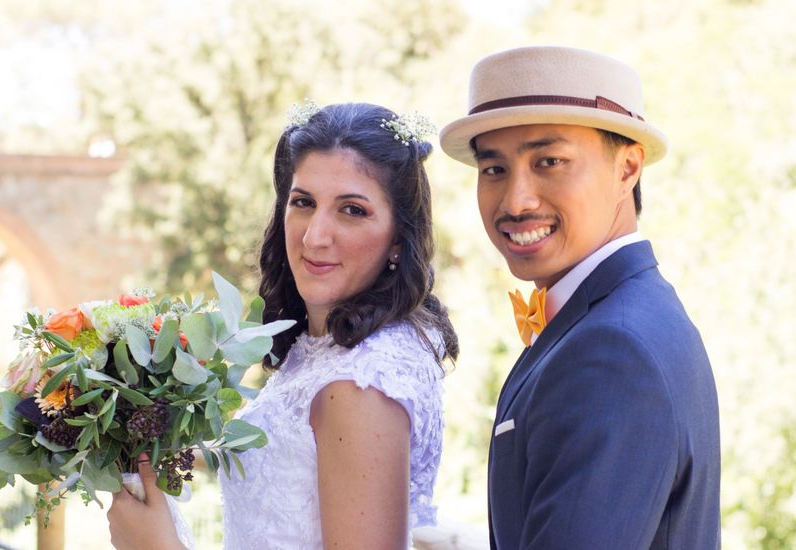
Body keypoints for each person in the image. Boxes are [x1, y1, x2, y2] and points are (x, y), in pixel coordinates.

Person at [108, 102, 458, 549]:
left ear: (398, 240)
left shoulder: (360, 384)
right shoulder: (330, 350)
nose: (315, 236)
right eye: (303, 203)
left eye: (352, 210)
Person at [439, 46, 720, 548]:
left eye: (550, 161)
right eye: (494, 169)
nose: (516, 200)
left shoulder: (613, 351)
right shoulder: (631, 313)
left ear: (628, 168)